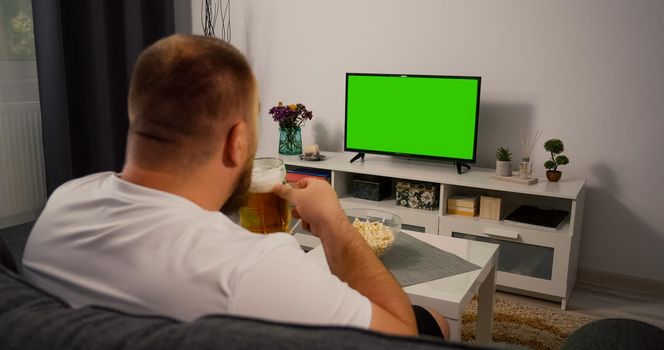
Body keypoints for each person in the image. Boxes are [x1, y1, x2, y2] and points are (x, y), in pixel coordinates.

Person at [21, 34, 449, 339]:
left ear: (138, 118)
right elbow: (401, 333)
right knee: (433, 320)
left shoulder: (64, 201)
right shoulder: (252, 266)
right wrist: (334, 222)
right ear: (238, 140)